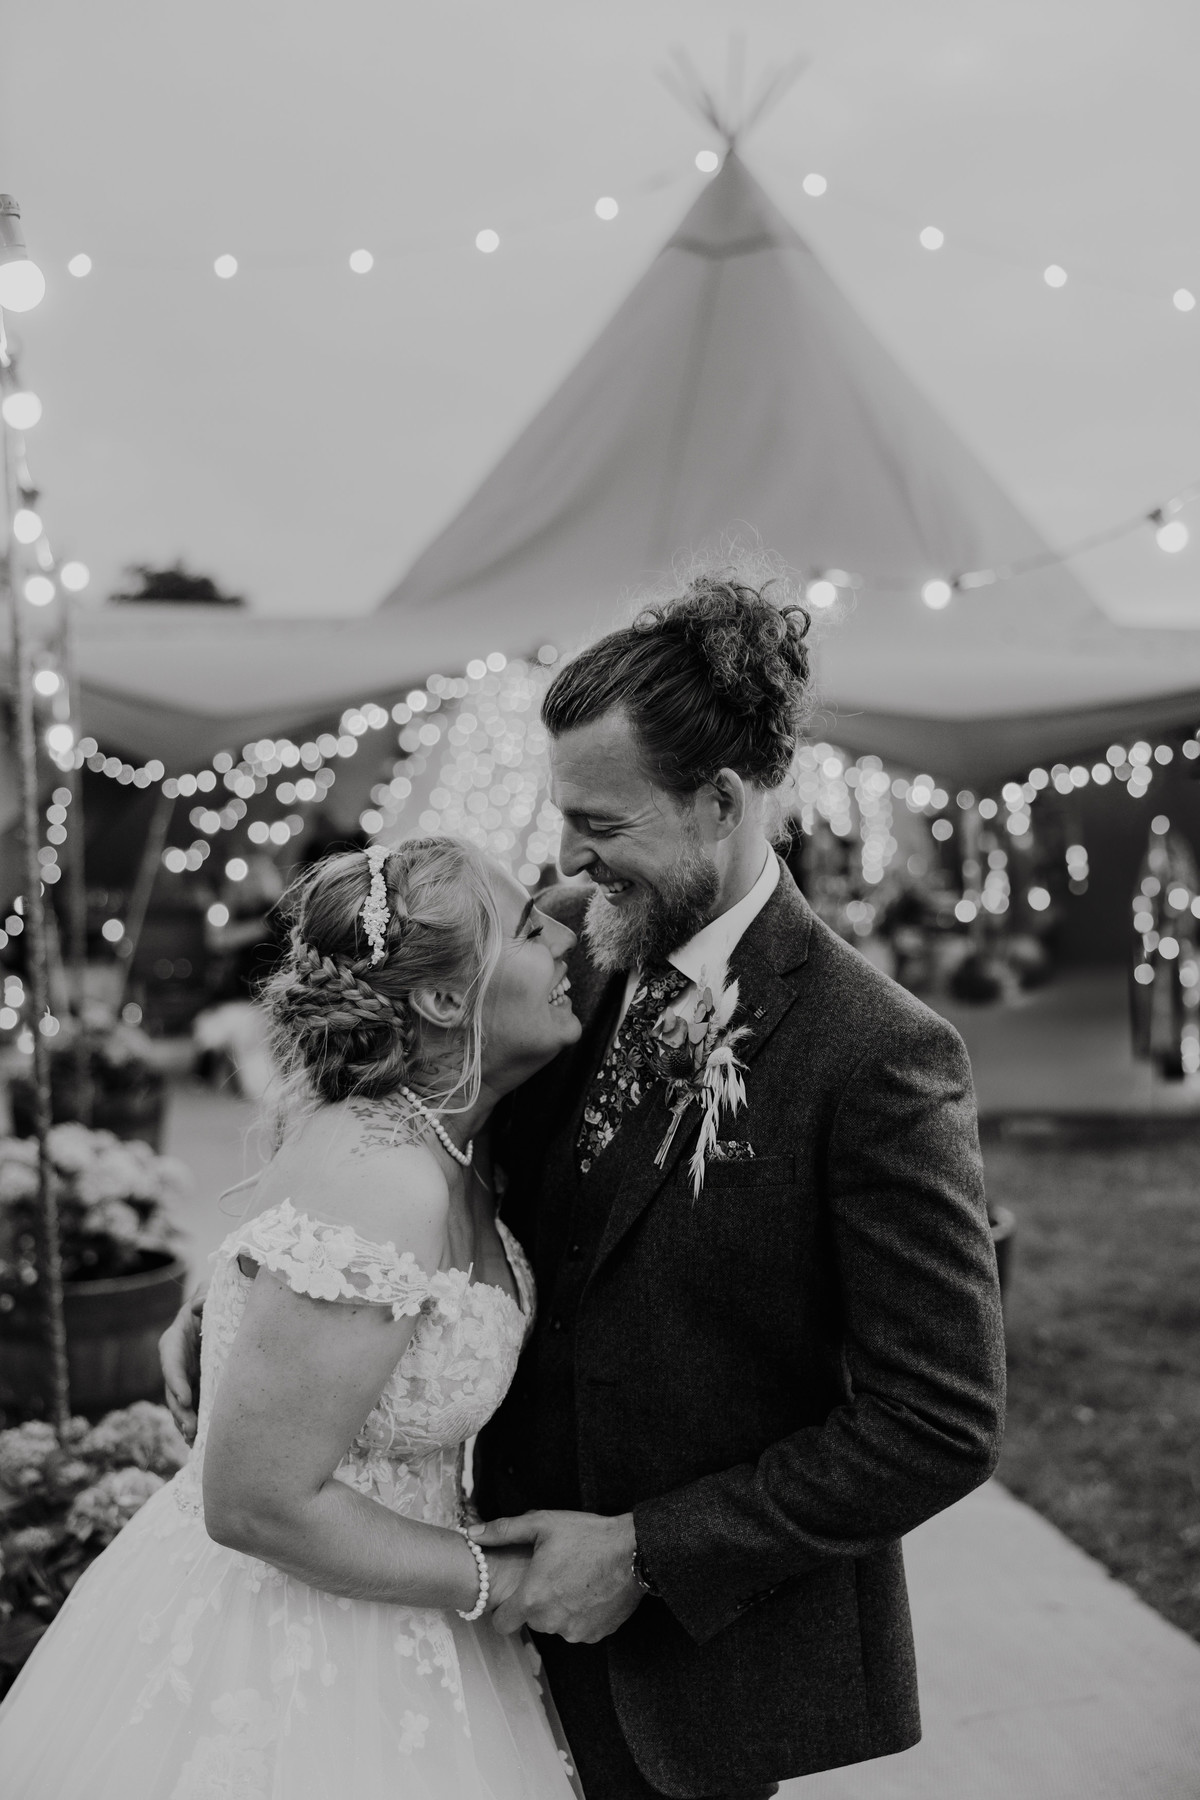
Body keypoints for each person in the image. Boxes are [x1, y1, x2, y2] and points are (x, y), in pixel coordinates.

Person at [466, 571, 1006, 1798]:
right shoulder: (559, 944)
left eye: (602, 823)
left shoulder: (877, 1054)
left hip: (690, 1679)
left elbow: (938, 1420)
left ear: (719, 801)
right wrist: (270, 1276)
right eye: (564, 818)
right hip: (478, 1621)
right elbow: (411, 1114)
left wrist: (649, 1553)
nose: (567, 859)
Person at [0, 838, 586, 1799]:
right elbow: (254, 1501)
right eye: (528, 928)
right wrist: (502, 1581)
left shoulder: (437, 1136)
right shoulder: (388, 1180)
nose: (563, 939)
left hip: (398, 1605)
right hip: (301, 1631)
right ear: (443, 1001)